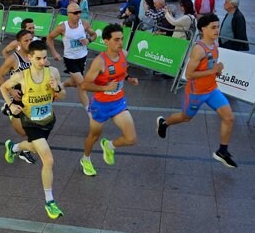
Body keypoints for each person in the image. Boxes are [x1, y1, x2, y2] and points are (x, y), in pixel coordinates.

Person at [156, 14, 237, 168]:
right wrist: (212, 70)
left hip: (212, 89)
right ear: (203, 29)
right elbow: (189, 74)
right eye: (213, 27)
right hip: (196, 93)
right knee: (186, 118)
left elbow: (210, 66)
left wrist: (216, 70)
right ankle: (164, 123)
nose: (217, 30)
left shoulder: (215, 44)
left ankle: (222, 151)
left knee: (229, 118)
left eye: (218, 26)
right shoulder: (198, 49)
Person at [0, 40, 66, 219]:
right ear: (29, 57)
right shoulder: (22, 76)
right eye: (38, 58)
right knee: (48, 160)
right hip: (30, 122)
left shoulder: (52, 72)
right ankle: (49, 201)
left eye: (45, 58)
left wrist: (57, 88)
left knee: (32, 148)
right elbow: (4, 87)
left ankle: (13, 148)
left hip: (48, 121)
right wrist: (11, 105)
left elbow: (63, 94)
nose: (42, 61)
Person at [80, 23, 139, 176]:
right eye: (116, 40)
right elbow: (85, 85)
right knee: (94, 136)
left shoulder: (124, 54)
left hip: (118, 102)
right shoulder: (100, 62)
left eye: (122, 39)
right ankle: (86, 159)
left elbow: (122, 71)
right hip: (100, 105)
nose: (120, 43)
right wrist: (105, 88)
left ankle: (109, 146)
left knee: (131, 139)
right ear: (106, 41)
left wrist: (129, 78)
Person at [46, 2, 97, 112]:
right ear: (68, 14)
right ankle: (89, 111)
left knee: (75, 82)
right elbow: (49, 38)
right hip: (70, 59)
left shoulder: (84, 24)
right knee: (82, 84)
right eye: (75, 13)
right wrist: (54, 52)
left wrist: (88, 40)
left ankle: (61, 85)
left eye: (79, 12)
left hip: (83, 57)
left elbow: (94, 35)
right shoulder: (62, 27)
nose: (78, 15)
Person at [0, 29, 37, 164]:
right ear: (19, 43)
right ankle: (14, 147)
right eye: (26, 40)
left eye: (31, 39)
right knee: (24, 133)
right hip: (18, 100)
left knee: (36, 134)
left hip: (33, 99)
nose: (29, 42)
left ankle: (23, 151)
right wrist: (11, 91)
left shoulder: (35, 55)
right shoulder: (14, 59)